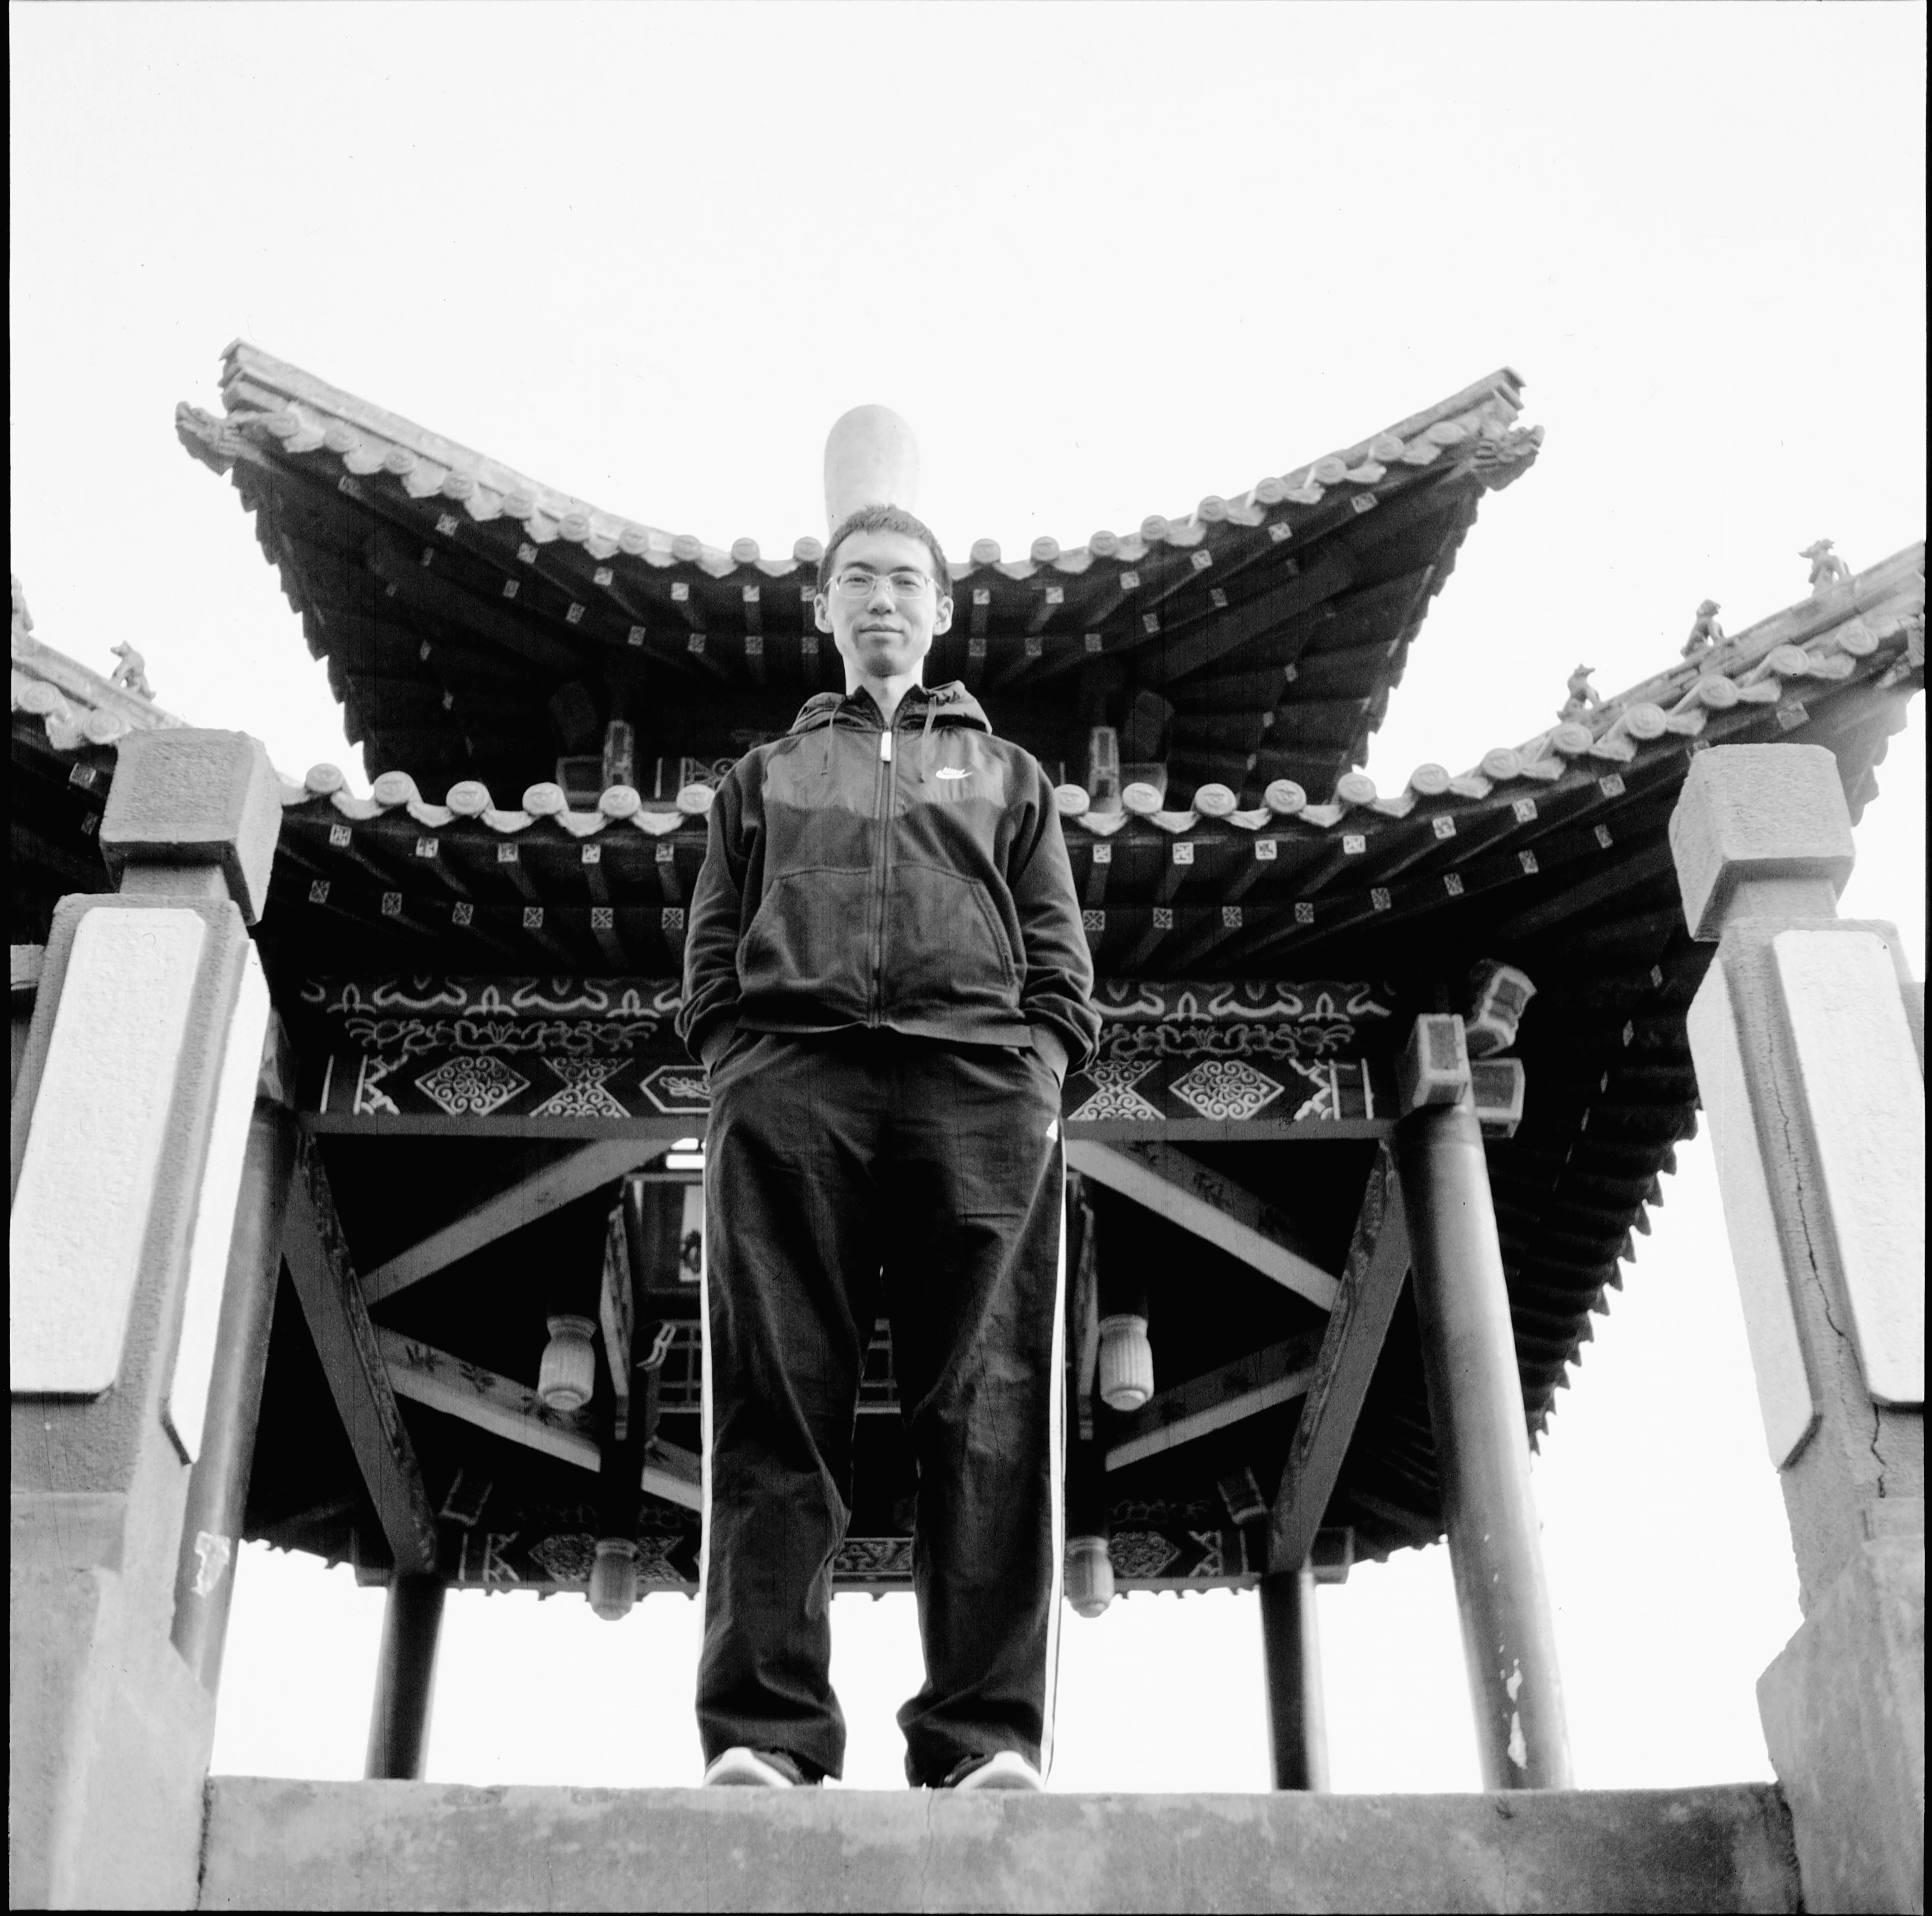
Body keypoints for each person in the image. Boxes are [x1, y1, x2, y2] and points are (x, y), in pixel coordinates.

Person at [677, 503, 1099, 1793]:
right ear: (823, 607)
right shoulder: (764, 777)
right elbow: (711, 949)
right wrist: (740, 1062)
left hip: (976, 1096)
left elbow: (1061, 958)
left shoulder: (1008, 773)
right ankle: (767, 1736)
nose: (882, 600)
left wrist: (1036, 1069)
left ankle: (983, 1741)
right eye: (857, 579)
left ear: (942, 609)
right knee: (775, 1409)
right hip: (792, 1089)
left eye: (907, 581)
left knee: (989, 1413)